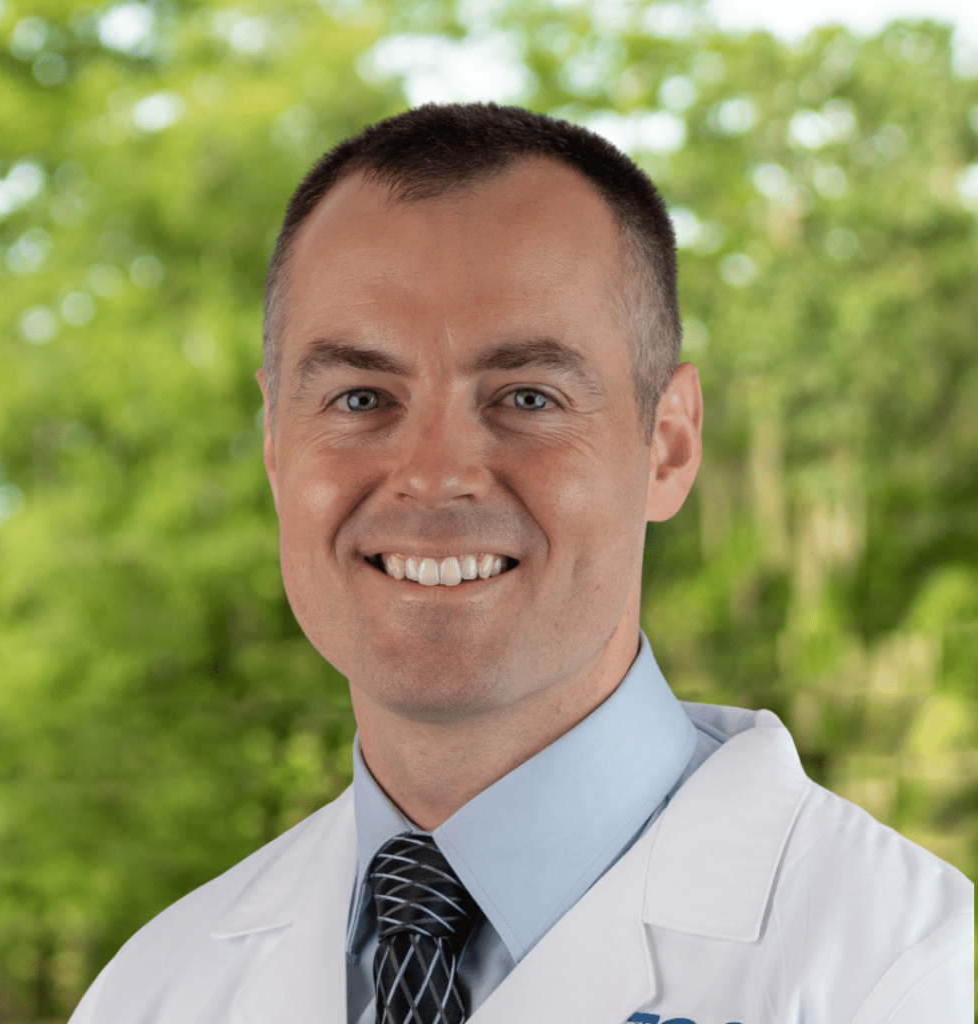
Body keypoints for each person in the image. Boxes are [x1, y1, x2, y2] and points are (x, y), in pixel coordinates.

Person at [68, 103, 973, 1024]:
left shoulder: (908, 973)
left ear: (668, 445)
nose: (433, 475)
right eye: (362, 397)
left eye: (528, 397)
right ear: (274, 443)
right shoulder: (152, 993)